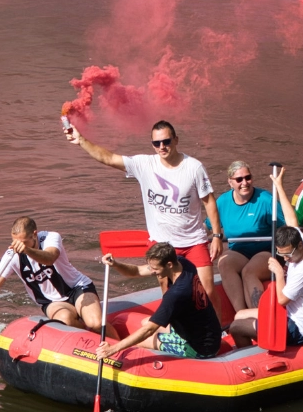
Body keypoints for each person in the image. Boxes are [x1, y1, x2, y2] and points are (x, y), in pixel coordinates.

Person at [67, 120, 225, 309]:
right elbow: (108, 158)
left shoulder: (194, 167)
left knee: (206, 292)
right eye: (156, 143)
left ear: (176, 140)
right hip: (161, 244)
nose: (162, 147)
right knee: (169, 294)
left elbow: (209, 202)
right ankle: (176, 333)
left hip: (194, 242)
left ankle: (216, 333)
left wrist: (216, 236)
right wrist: (81, 140)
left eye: (166, 141)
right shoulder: (144, 164)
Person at [0, 217, 100, 330]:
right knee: (66, 320)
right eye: (14, 241)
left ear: (35, 234)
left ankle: (116, 349)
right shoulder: (11, 255)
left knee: (95, 324)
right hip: (51, 301)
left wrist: (27, 250)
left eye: (23, 242)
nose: (17, 246)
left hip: (77, 288)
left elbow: (50, 258)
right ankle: (88, 342)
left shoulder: (50, 238)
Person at [96, 243, 223, 360]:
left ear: (169, 265)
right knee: (144, 322)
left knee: (142, 341)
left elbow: (149, 330)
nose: (152, 271)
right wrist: (116, 264)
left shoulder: (177, 294)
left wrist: (113, 349)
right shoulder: (184, 263)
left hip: (200, 348)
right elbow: (137, 271)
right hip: (204, 330)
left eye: (155, 269)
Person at [226, 225, 303, 348]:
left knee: (236, 327)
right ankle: (258, 341)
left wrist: (279, 273)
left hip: (297, 328)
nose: (286, 258)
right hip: (287, 313)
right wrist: (283, 203)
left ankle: (252, 356)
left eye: (288, 254)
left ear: (299, 245)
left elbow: (282, 300)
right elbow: (292, 220)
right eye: (281, 254)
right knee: (239, 315)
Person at [213, 160, 277, 313]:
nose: (245, 183)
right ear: (230, 182)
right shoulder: (223, 201)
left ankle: (261, 315)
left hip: (265, 250)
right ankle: (241, 314)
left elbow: (286, 225)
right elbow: (209, 225)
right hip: (239, 252)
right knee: (224, 263)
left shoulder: (266, 199)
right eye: (239, 179)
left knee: (249, 271)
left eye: (248, 178)